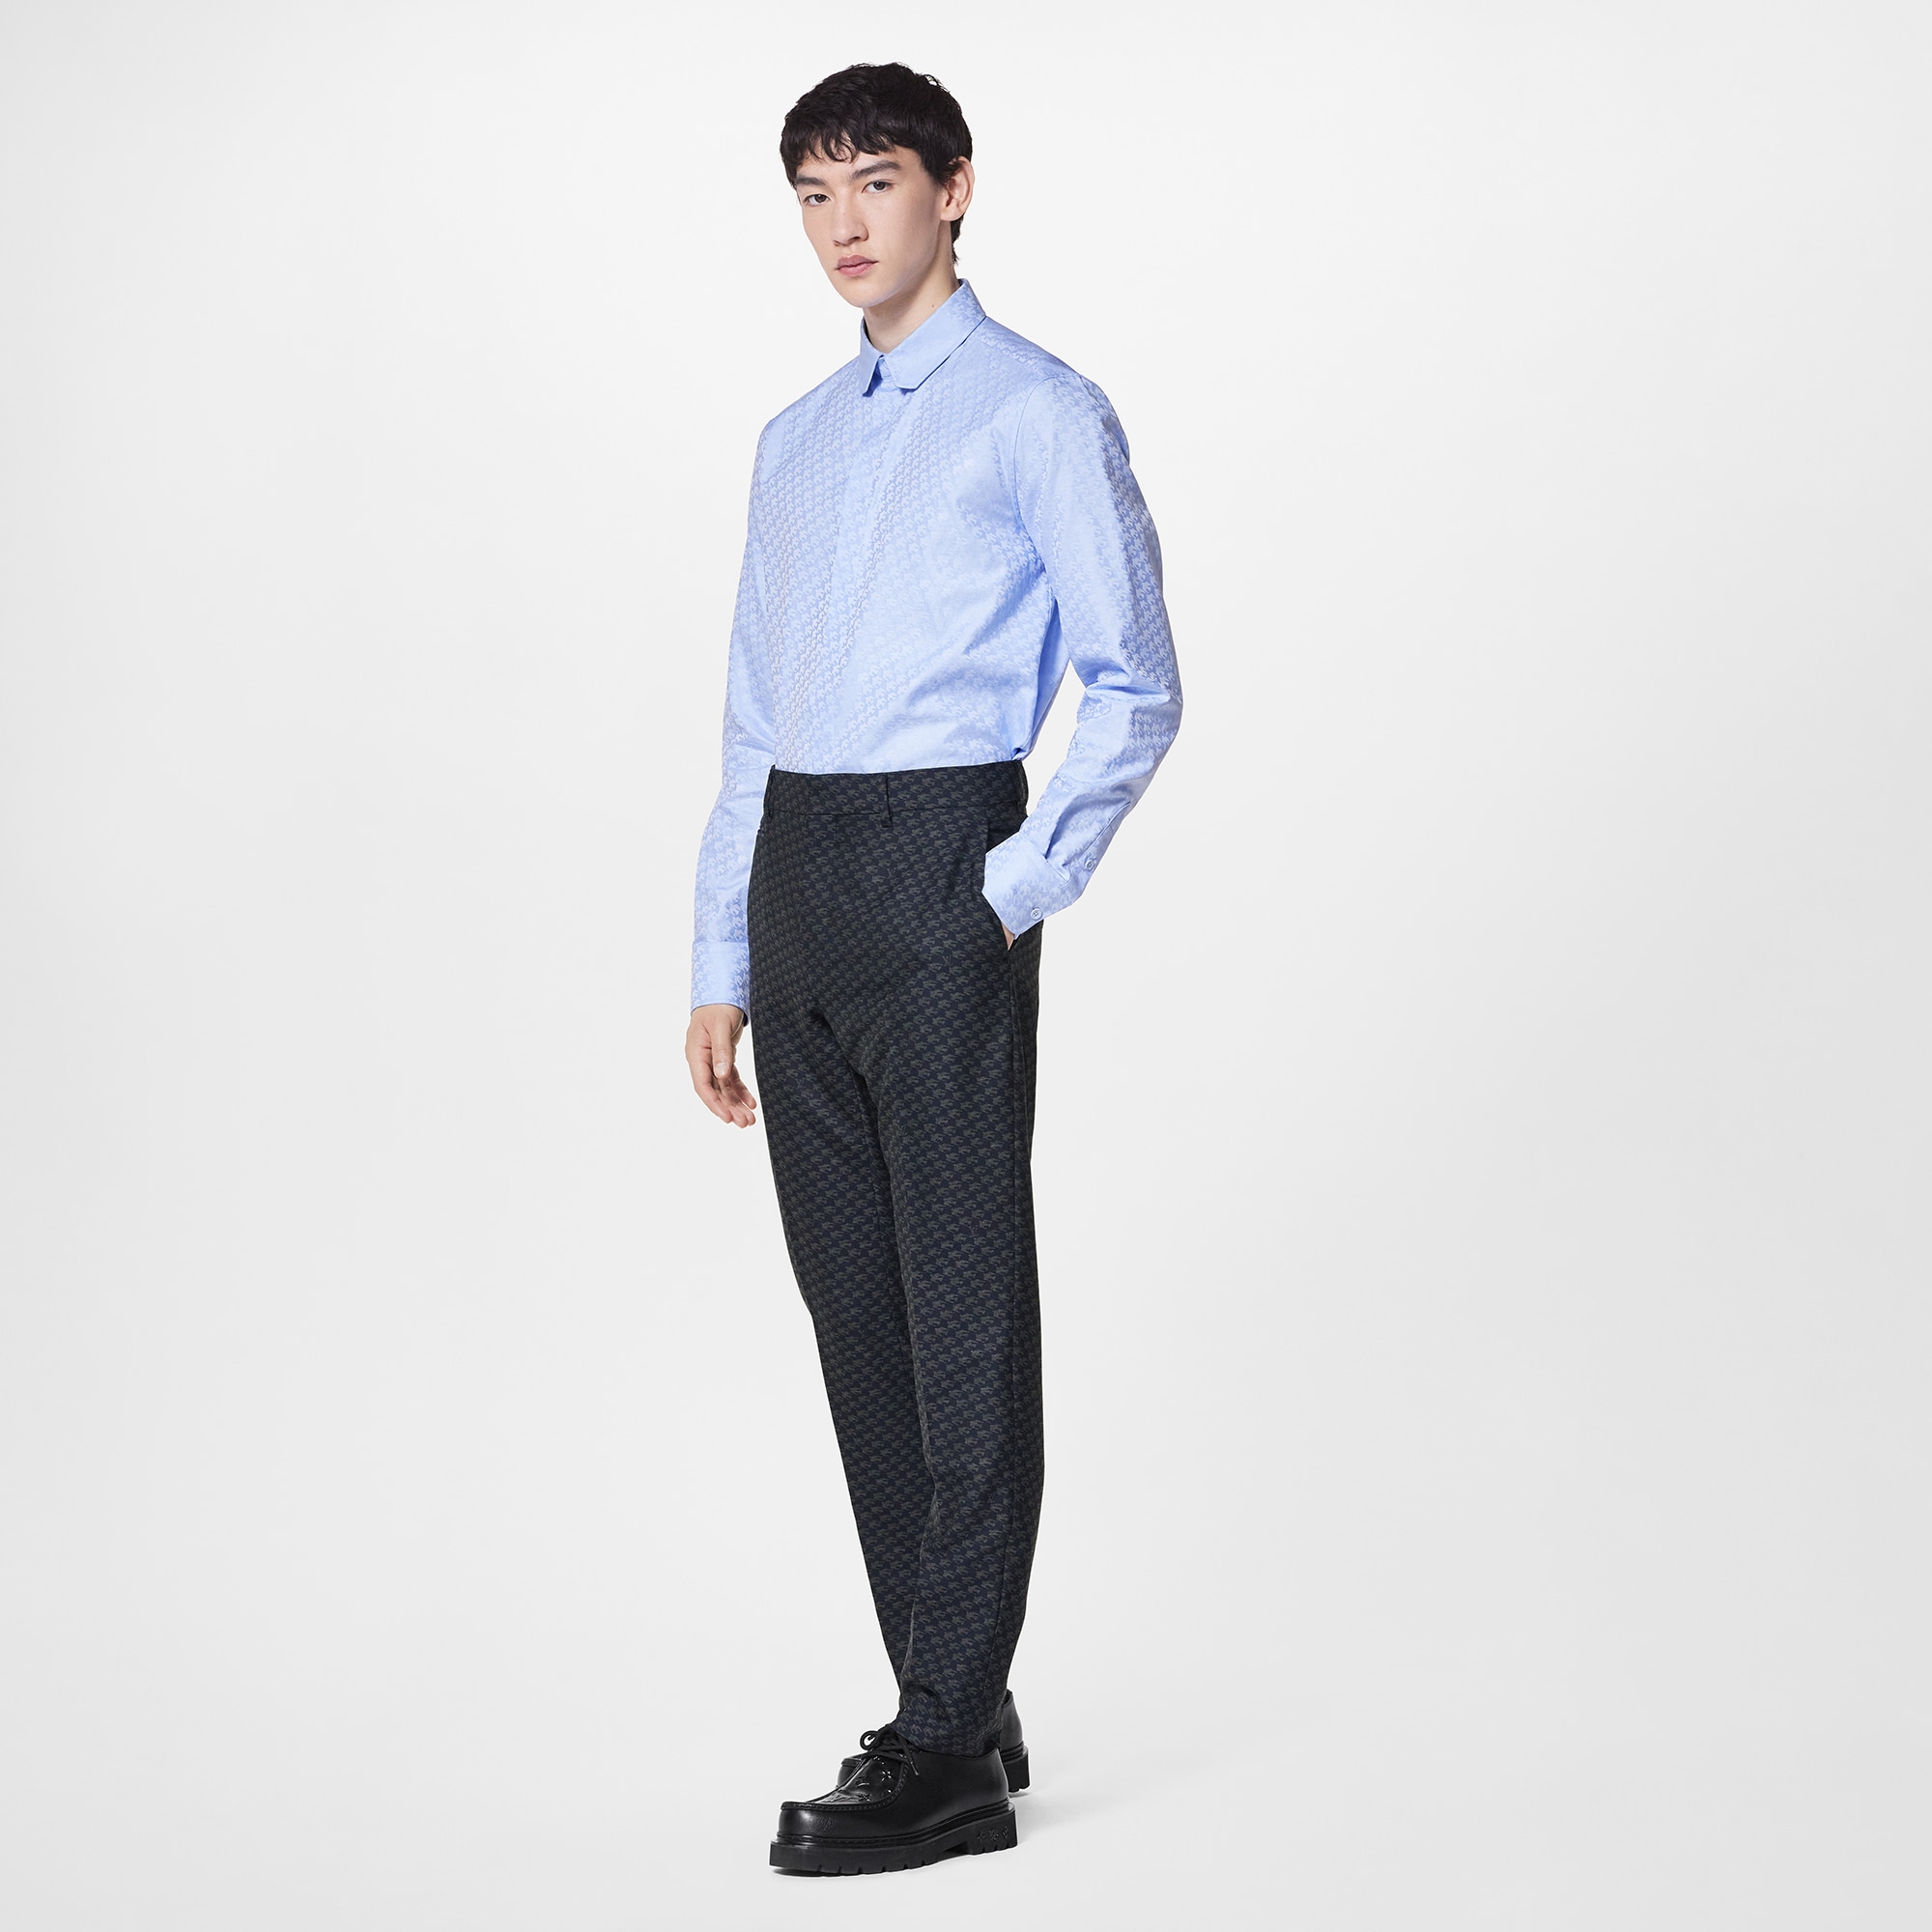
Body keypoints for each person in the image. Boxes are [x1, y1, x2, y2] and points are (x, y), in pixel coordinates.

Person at [684, 61, 1181, 1876]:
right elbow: (754, 719)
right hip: (802, 880)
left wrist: (1008, 892)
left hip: (937, 872)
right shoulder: (793, 441)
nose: (842, 225)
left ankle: (944, 1757)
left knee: (962, 1316)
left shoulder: (1037, 411)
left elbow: (1135, 681)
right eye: (812, 195)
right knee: (858, 1324)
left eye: (874, 184)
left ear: (953, 188)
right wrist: (721, 949)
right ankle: (951, 1681)